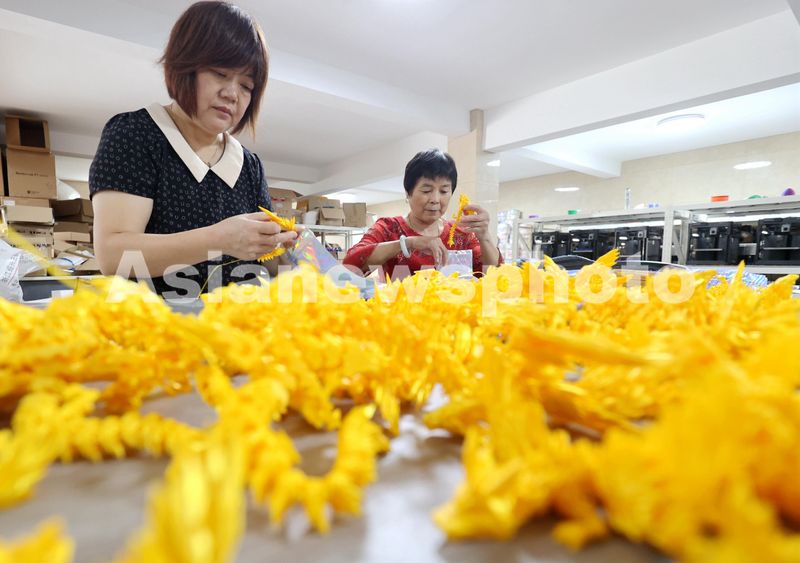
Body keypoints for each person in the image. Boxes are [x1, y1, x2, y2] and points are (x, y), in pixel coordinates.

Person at [90, 1, 297, 297]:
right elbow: (112, 255)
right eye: (220, 74)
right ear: (184, 67)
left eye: (246, 86)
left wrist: (286, 248)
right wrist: (218, 240)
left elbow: (269, 260)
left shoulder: (250, 165)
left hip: (237, 322)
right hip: (156, 321)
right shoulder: (136, 135)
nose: (232, 94)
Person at [343, 149, 502, 278]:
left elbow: (494, 277)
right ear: (408, 193)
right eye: (426, 190)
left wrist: (484, 237)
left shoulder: (461, 234)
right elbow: (350, 263)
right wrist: (408, 243)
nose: (435, 199)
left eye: (444, 191)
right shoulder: (389, 228)